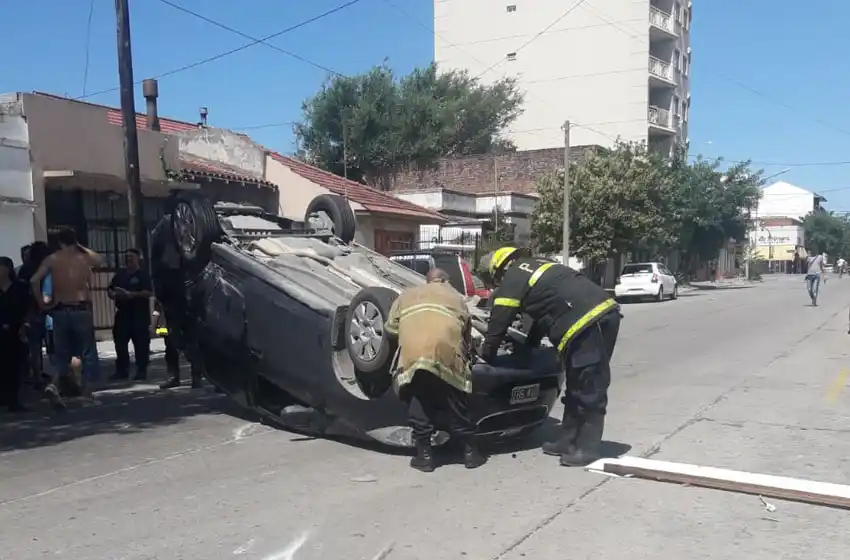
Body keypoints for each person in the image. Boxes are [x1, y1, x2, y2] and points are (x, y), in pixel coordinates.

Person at [479, 247, 621, 467]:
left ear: (500, 270)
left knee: (590, 383)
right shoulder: (538, 268)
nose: (497, 284)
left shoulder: (515, 275)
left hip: (588, 322)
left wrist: (487, 353)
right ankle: (568, 440)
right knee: (575, 384)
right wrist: (528, 350)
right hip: (595, 317)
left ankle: (588, 447)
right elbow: (538, 318)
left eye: (495, 279)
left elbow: (499, 321)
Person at [384, 268, 485, 472]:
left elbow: (391, 329)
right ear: (445, 280)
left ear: (427, 281)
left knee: (418, 399)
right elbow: (466, 332)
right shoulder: (456, 297)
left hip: (414, 354)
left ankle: (425, 456)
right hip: (444, 352)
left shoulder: (407, 295)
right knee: (456, 400)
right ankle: (470, 454)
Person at [30, 227, 103, 402]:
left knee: (62, 354)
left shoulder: (52, 259)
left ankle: (53, 385)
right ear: (75, 241)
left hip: (60, 310)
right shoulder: (83, 258)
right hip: (81, 309)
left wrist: (41, 301)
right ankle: (86, 393)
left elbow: (34, 280)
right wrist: (80, 246)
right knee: (88, 353)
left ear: (60, 242)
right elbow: (100, 259)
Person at [150, 212, 204, 390]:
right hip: (172, 297)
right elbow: (158, 265)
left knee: (190, 337)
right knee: (171, 337)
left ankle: (196, 375)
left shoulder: (189, 244)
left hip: (184, 296)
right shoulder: (167, 240)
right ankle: (178, 375)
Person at [108, 248, 153, 381]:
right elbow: (110, 288)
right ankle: (122, 370)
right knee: (120, 343)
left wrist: (132, 295)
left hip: (139, 315)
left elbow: (149, 292)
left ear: (138, 258)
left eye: (131, 257)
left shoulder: (143, 275)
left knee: (141, 344)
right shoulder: (120, 274)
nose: (128, 259)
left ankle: (141, 370)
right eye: (126, 256)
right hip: (123, 314)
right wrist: (113, 294)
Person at [17, 241, 52, 387]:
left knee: (34, 347)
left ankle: (37, 376)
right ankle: (59, 378)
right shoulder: (48, 268)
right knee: (54, 347)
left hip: (30, 311)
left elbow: (22, 290)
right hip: (49, 309)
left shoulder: (25, 269)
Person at [0, 256, 29, 412]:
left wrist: (24, 325)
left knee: (14, 365)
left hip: (14, 330)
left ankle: (13, 400)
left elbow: (25, 308)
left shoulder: (19, 288)